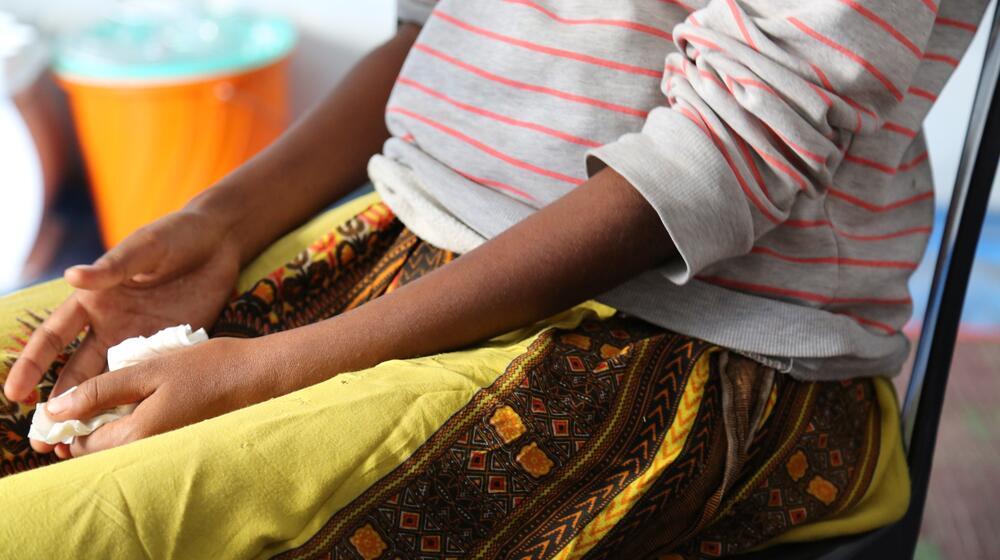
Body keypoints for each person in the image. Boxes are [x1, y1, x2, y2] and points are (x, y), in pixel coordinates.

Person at [0, 0, 988, 557]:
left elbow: (723, 155)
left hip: (694, 337)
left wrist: (270, 370)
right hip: (402, 234)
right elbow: (428, 32)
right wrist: (220, 221)